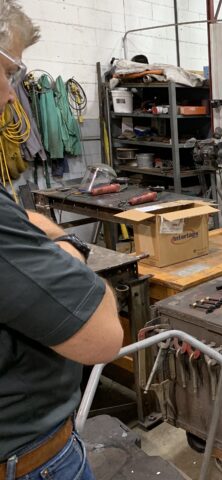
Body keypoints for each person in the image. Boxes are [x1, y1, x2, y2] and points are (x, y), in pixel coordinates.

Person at [0, 2, 124, 478]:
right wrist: (71, 248)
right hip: (30, 459)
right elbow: (103, 339)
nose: (13, 97)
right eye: (10, 72)